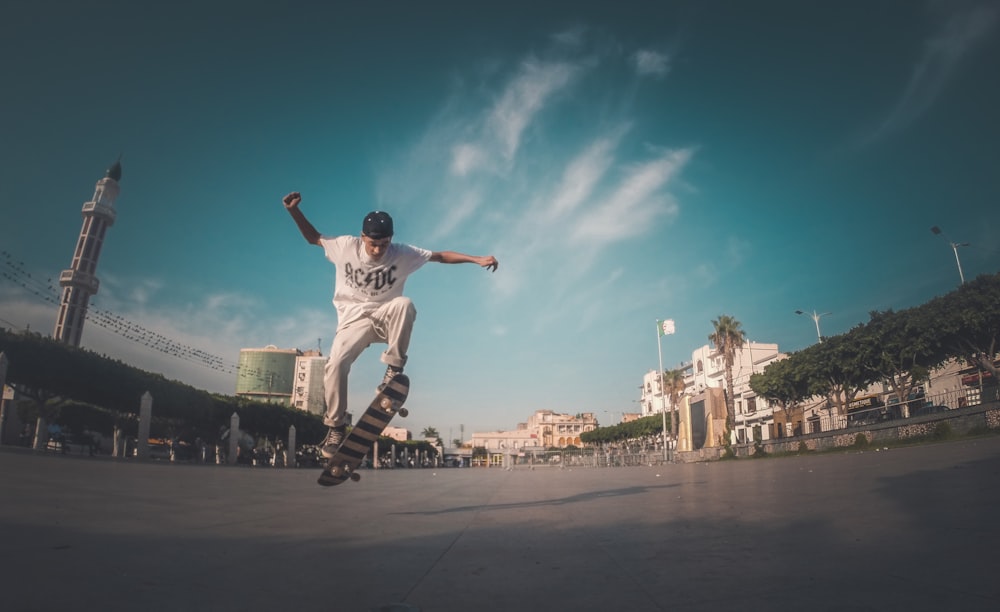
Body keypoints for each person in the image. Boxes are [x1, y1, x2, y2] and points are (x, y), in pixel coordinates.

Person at [282, 191, 499, 458]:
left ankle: (393, 371)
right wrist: (294, 211)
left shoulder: (403, 253)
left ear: (390, 240)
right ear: (362, 237)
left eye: (383, 244)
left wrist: (476, 259)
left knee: (405, 304)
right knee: (335, 365)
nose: (377, 250)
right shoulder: (345, 246)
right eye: (373, 244)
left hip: (386, 317)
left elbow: (440, 256)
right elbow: (314, 238)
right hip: (353, 321)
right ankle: (336, 427)